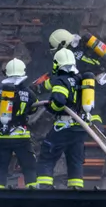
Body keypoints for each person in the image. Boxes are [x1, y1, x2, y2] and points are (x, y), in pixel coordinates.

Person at [34, 49, 90, 189]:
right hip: (79, 126)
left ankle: (44, 187)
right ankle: (76, 188)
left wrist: (50, 107)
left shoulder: (61, 80)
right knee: (75, 159)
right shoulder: (80, 79)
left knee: (47, 154)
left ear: (57, 63)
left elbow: (59, 102)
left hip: (64, 125)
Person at [49, 28, 106, 125]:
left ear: (62, 44)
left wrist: (40, 87)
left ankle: (96, 133)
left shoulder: (70, 58)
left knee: (90, 108)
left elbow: (65, 77)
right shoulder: (82, 44)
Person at [0, 58, 39, 188]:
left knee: (0, 169)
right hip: (20, 137)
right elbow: (34, 109)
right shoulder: (28, 93)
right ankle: (35, 197)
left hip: (1, 137)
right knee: (29, 168)